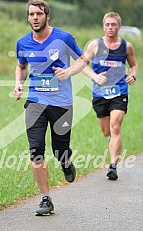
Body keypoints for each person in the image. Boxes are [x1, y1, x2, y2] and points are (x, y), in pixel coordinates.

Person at [13, 0, 83, 216]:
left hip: (61, 103)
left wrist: (68, 72)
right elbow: (21, 66)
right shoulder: (23, 43)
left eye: (39, 14)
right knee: (36, 151)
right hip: (35, 101)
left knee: (59, 150)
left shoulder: (63, 37)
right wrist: (19, 84)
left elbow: (82, 60)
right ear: (28, 17)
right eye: (31, 14)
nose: (35, 18)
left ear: (47, 16)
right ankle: (46, 199)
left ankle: (66, 162)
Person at [54, 12, 138, 180]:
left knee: (115, 127)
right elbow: (82, 64)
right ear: (103, 26)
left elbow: (134, 65)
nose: (110, 27)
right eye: (107, 24)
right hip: (99, 93)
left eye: (113, 24)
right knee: (106, 131)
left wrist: (132, 75)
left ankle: (113, 165)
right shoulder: (95, 45)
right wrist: (94, 76)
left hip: (119, 91)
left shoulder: (126, 46)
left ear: (119, 26)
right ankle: (112, 143)